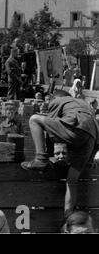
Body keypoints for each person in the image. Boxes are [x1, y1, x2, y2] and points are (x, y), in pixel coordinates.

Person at [21, 90, 99, 218]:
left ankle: (40, 159)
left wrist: (48, 155)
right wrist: (89, 160)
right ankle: (67, 216)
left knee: (34, 119)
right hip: (92, 136)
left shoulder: (57, 101)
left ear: (54, 98)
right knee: (72, 179)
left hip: (76, 127)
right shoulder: (85, 104)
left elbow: (51, 129)